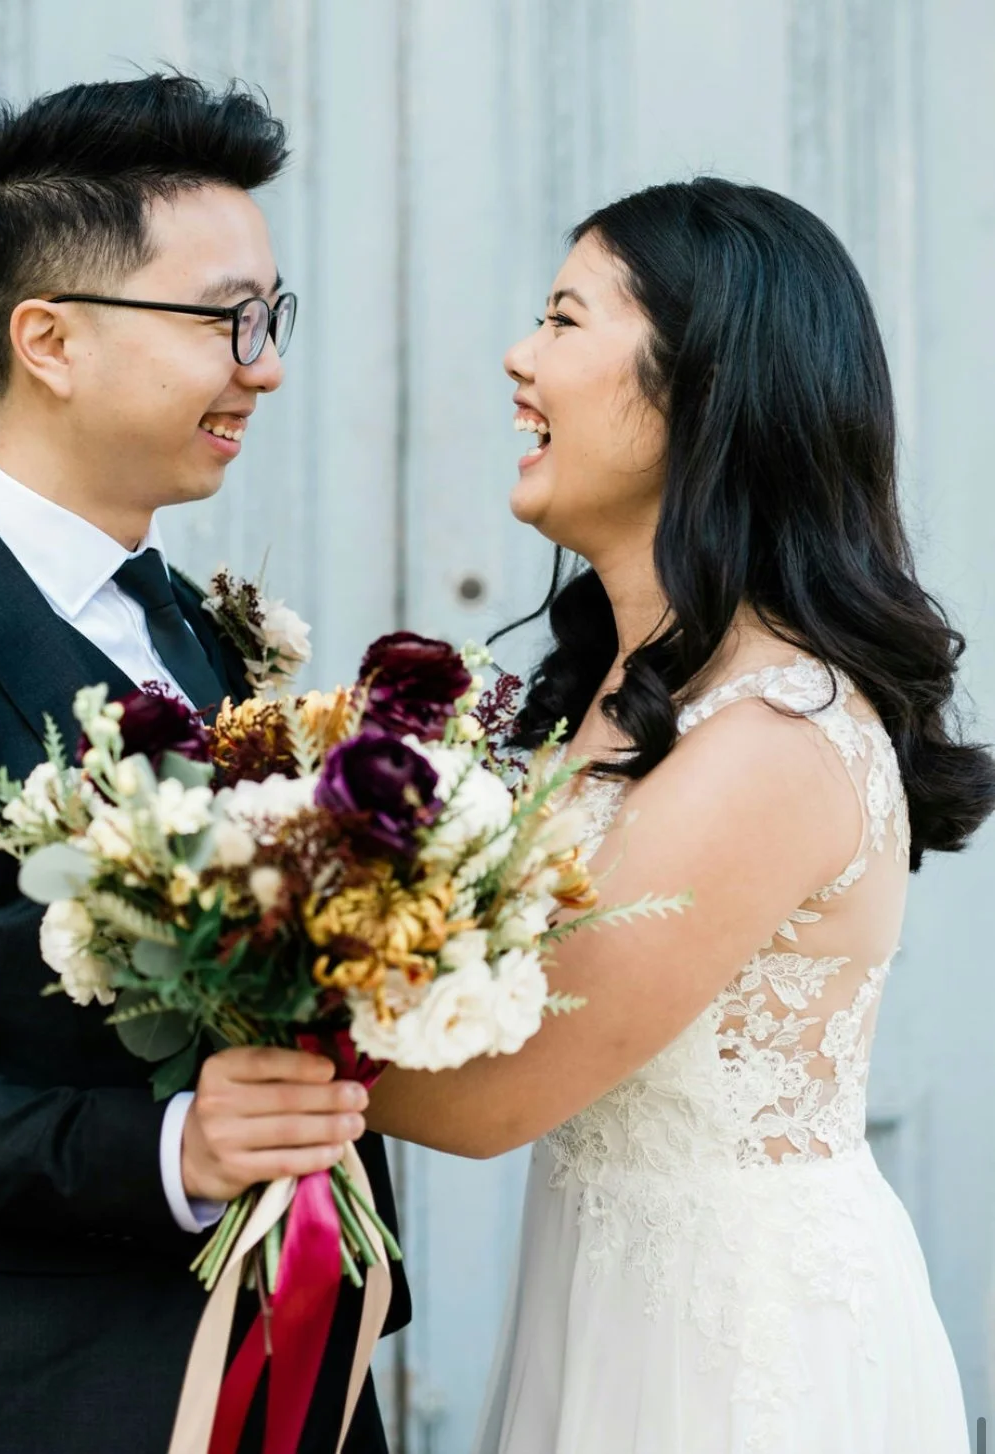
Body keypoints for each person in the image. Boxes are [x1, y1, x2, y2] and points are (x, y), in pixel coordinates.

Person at [0, 74, 407, 1454]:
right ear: (50, 339)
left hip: (292, 1369)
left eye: (272, 318)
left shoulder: (204, 629)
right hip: (35, 1393)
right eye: (226, 319)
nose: (262, 364)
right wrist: (173, 1152)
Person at [366, 177, 994, 1452]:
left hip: (733, 1357)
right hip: (602, 1302)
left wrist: (210, 970)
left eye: (563, 319)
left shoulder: (773, 733)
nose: (516, 357)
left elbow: (490, 1092)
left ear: (702, 389)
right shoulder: (626, 685)